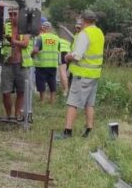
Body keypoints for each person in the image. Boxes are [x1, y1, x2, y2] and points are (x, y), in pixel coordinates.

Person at [59, 9, 104, 138]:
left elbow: (77, 56)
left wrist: (67, 57)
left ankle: (67, 132)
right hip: (94, 74)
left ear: (84, 20)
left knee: (73, 102)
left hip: (82, 74)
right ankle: (89, 130)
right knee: (89, 103)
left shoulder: (85, 34)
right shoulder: (99, 32)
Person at [0, 6, 30, 121]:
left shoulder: (25, 28)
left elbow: (26, 43)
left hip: (21, 64)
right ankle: (8, 115)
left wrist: (14, 41)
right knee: (6, 92)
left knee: (21, 91)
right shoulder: (5, 27)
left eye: (14, 14)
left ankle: (17, 115)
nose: (12, 17)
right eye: (10, 14)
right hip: (8, 63)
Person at [31, 20, 62, 103]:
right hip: (53, 64)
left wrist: (32, 54)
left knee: (41, 83)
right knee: (52, 83)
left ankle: (42, 101)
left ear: (42, 28)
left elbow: (36, 49)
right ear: (51, 28)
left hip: (42, 64)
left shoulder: (41, 37)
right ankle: (52, 100)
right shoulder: (56, 38)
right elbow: (59, 50)